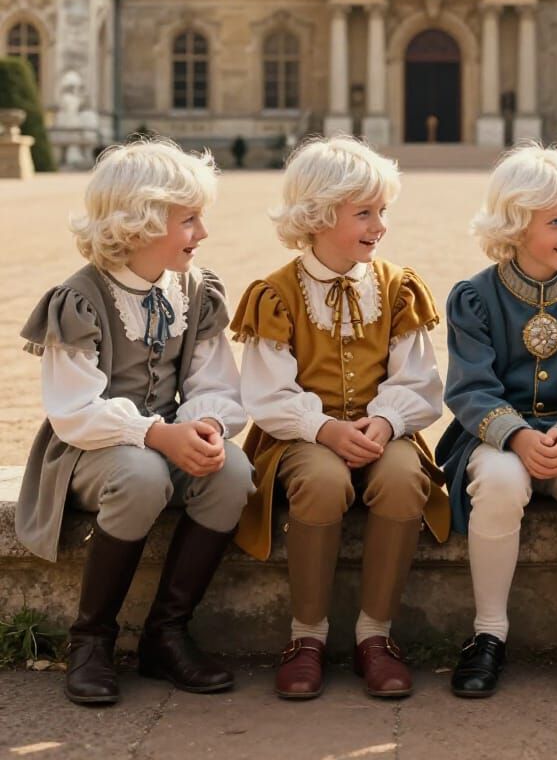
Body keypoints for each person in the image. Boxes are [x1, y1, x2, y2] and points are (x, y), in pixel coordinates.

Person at [15, 138, 254, 706]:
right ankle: (91, 638)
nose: (203, 232)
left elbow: (216, 384)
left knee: (233, 472)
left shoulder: (195, 290)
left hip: (166, 442)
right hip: (90, 450)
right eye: (189, 219)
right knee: (143, 474)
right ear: (142, 222)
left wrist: (205, 429)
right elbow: (74, 411)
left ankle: (166, 635)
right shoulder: (80, 298)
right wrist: (155, 433)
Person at [232, 135, 448, 701]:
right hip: (300, 436)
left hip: (384, 430)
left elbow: (419, 380)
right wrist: (325, 429)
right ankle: (306, 637)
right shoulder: (275, 294)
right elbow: (266, 393)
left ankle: (375, 635)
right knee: (324, 481)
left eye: (383, 212)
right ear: (319, 215)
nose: (380, 225)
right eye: (365, 213)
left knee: (404, 478)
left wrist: (384, 422)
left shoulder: (398, 288)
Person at [436, 144, 557, 699]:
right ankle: (489, 633)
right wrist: (516, 435)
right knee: (499, 482)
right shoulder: (473, 297)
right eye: (556, 222)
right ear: (515, 225)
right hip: (494, 435)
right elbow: (470, 388)